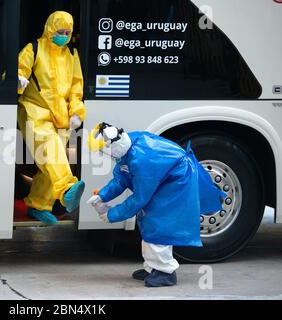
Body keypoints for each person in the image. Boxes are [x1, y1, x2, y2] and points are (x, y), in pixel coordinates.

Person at [87, 123, 225, 287]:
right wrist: (102, 196)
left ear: (114, 147)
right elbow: (121, 179)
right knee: (147, 221)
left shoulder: (142, 160)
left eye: (104, 151)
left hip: (177, 181)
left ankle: (165, 272)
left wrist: (111, 215)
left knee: (158, 224)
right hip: (167, 177)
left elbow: (139, 199)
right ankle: (153, 267)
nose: (105, 155)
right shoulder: (127, 146)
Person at [17, 11, 86, 225]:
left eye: (68, 32)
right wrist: (18, 79)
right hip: (34, 111)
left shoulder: (71, 54)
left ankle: (37, 205)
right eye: (60, 31)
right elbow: (17, 71)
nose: (64, 36)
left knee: (50, 165)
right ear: (50, 29)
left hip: (62, 116)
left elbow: (76, 86)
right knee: (52, 149)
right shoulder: (34, 48)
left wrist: (76, 111)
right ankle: (67, 188)